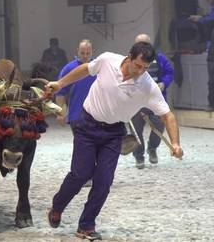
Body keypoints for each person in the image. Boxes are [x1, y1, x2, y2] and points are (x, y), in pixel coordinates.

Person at [45, 42, 184, 240]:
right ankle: (57, 206)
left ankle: (86, 225)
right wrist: (60, 84)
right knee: (80, 174)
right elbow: (86, 69)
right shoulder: (108, 60)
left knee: (104, 181)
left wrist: (176, 143)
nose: (141, 71)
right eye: (138, 66)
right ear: (128, 57)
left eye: (145, 68)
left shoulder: (146, 86)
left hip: (113, 134)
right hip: (87, 125)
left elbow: (167, 116)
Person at [55, 39, 96, 187]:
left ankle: (91, 174)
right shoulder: (69, 69)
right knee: (82, 145)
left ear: (92, 52)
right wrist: (60, 112)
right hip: (76, 114)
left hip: (97, 114)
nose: (85, 56)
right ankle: (81, 175)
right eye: (82, 53)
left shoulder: (98, 67)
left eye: (88, 53)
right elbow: (60, 91)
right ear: (77, 51)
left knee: (95, 145)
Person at [132, 34, 174, 169]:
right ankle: (139, 156)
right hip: (136, 102)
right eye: (140, 44)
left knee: (159, 126)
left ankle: (152, 148)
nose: (142, 48)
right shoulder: (130, 59)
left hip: (156, 99)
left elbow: (169, 72)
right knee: (136, 131)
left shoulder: (160, 58)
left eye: (145, 44)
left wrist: (164, 83)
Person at [190, 0, 214, 110]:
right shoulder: (211, 9)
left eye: (209, 0)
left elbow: (210, 20)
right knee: (211, 82)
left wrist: (200, 19)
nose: (209, 2)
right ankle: (211, 104)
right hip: (211, 54)